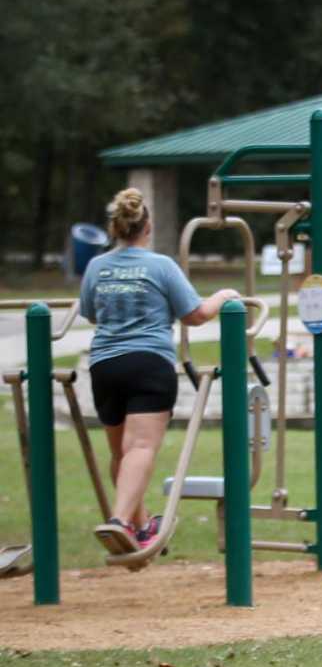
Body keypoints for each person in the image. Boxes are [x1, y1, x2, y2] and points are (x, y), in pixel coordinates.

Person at [77, 188, 242, 555]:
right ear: (147, 227)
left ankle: (141, 526)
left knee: (121, 453)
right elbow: (195, 314)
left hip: (105, 364)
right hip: (149, 362)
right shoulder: (161, 266)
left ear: (115, 227)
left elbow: (90, 313)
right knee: (140, 447)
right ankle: (119, 520)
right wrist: (224, 297)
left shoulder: (96, 266)